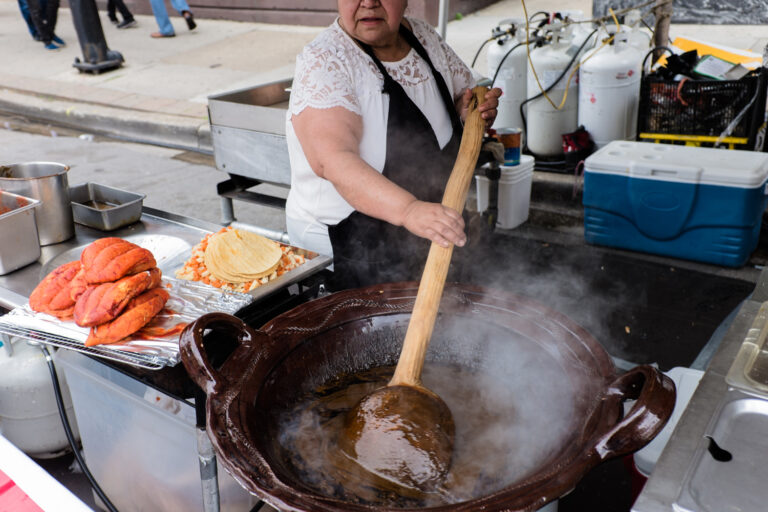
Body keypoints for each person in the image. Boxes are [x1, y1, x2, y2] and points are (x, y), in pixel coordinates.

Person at [285, 0, 501, 291]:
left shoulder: (421, 36)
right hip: (352, 248)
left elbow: (463, 92)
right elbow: (333, 160)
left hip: (425, 231)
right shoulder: (325, 61)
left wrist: (469, 109)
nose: (369, 2)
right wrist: (410, 210)